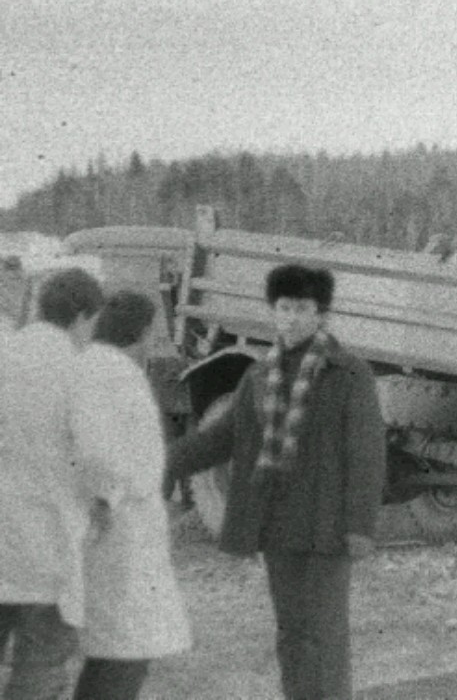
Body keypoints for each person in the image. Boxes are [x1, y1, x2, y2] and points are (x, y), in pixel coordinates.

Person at [168, 263, 387, 700]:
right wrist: (161, 462)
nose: (291, 318)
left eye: (302, 308)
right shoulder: (258, 374)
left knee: (324, 638)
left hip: (327, 529)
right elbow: (219, 439)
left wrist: (360, 527)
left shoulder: (349, 373)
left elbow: (366, 455)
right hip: (279, 527)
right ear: (272, 311)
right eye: (283, 307)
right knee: (291, 633)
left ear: (321, 314)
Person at [70, 291, 191, 700]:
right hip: (120, 536)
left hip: (122, 533)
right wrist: (105, 500)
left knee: (117, 651)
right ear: (141, 332)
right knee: (125, 653)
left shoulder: (94, 367)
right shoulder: (115, 376)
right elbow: (97, 452)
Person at [0, 267, 104, 700]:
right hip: (51, 553)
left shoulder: (5, 353)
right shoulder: (81, 374)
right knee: (40, 668)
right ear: (82, 317)